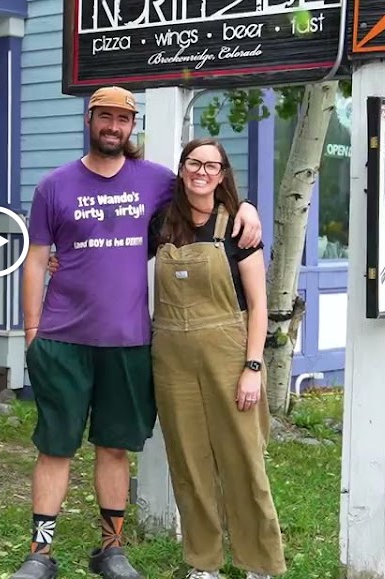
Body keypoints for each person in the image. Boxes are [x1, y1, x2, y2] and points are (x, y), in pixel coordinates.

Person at [13, 86, 263, 579]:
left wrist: (247, 206)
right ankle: (40, 554)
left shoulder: (155, 181)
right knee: (55, 447)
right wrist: (32, 332)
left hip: (128, 339)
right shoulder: (54, 187)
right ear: (89, 120)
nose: (113, 127)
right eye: (104, 117)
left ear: (132, 126)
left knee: (114, 446)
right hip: (62, 338)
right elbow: (37, 260)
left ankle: (111, 550)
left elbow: (204, 188)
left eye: (122, 119)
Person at [149, 138, 285, 579]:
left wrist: (253, 368)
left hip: (229, 356)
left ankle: (259, 564)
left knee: (243, 461)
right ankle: (203, 563)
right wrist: (65, 261)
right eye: (194, 163)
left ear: (222, 174)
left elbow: (259, 306)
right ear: (182, 169)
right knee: (189, 464)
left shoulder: (239, 227)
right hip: (172, 361)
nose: (201, 172)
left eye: (211, 166)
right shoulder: (162, 223)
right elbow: (115, 255)